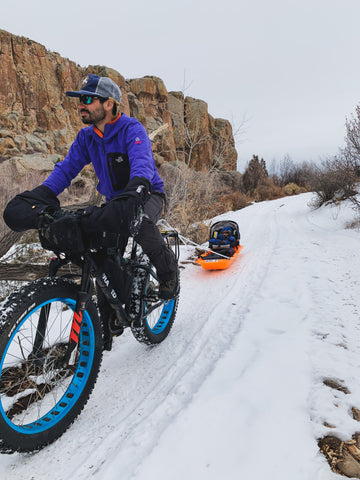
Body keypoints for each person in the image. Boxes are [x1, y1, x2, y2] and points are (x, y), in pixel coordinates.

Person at [3, 74, 179, 301]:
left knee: (140, 224)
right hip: (115, 201)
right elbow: (67, 169)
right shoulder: (87, 136)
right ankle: (115, 307)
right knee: (106, 252)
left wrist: (135, 194)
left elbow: (142, 166)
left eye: (87, 99)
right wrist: (43, 193)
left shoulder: (131, 129)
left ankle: (169, 273)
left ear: (109, 103)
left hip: (147, 194)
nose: (80, 105)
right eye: (79, 99)